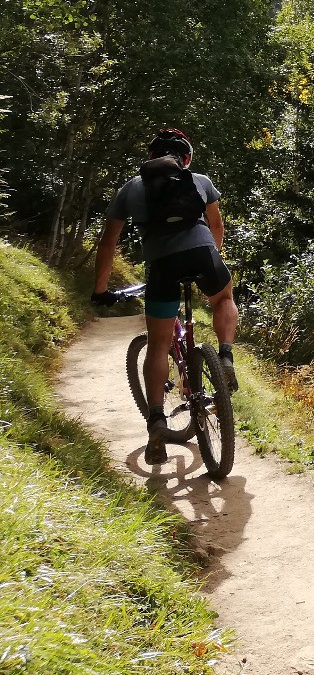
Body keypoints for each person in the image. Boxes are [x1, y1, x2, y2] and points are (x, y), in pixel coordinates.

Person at [91, 127, 238, 465]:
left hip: (162, 266)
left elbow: (108, 244)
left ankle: (156, 421)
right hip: (203, 255)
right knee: (224, 297)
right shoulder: (199, 181)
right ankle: (225, 356)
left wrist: (100, 291)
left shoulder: (131, 188)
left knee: (158, 344)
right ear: (184, 158)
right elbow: (217, 227)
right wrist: (208, 260)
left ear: (150, 158)